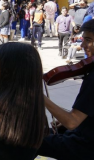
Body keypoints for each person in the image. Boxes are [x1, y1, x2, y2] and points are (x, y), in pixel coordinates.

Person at [37, 19, 94, 160]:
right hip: (85, 132)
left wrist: (39, 96)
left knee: (25, 139)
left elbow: (72, 122)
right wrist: (66, 121)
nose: (82, 45)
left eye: (88, 40)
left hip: (86, 146)